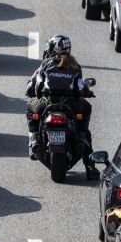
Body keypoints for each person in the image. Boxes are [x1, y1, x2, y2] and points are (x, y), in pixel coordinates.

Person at [25, 35, 98, 179]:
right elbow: (79, 89)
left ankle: (34, 136)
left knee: (29, 107)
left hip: (46, 103)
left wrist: (34, 92)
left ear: (54, 48)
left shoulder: (46, 63)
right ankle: (90, 166)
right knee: (86, 109)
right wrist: (88, 93)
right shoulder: (75, 65)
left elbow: (38, 86)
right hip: (69, 104)